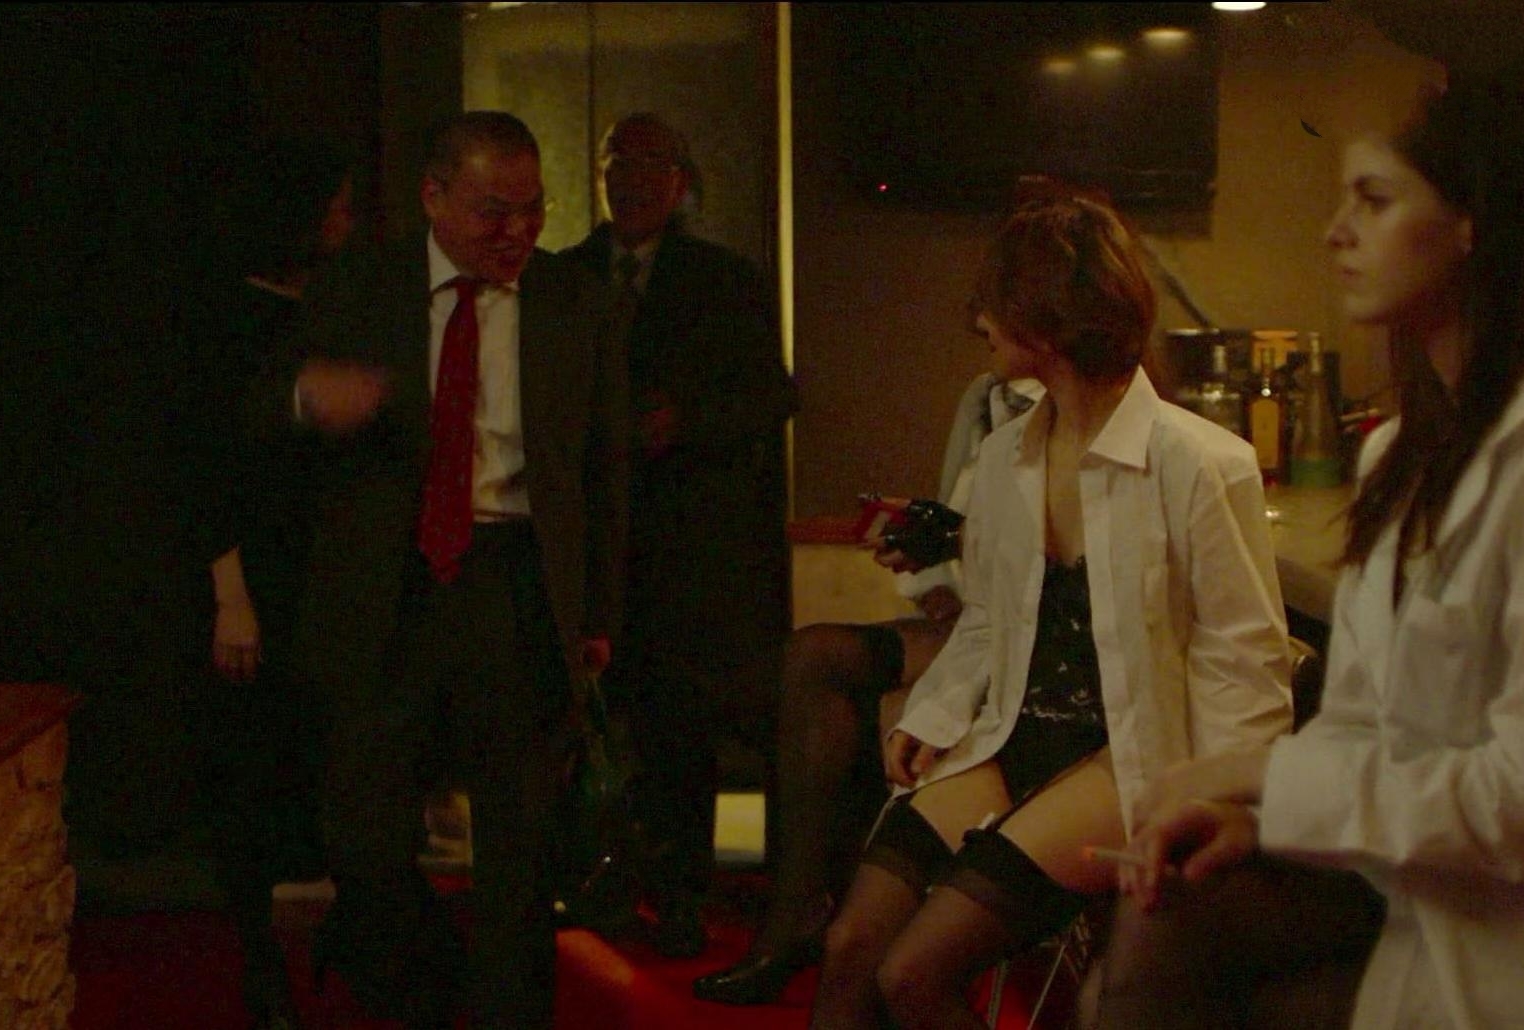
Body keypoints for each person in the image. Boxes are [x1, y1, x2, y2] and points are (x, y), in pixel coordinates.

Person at [1105, 75, 1524, 1030]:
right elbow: (1367, 730)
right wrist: (1262, 823)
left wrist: (1259, 777)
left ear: (1475, 222)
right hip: (1424, 927)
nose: (1335, 232)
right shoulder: (1406, 451)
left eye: (1374, 199)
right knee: (1165, 911)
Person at [806, 195, 1293, 1029]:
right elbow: (990, 621)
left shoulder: (1200, 462)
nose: (980, 322)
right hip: (1011, 734)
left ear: (1049, 321)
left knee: (914, 975)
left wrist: (1220, 808)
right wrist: (935, 713)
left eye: (997, 303)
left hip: (1125, 757)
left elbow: (1244, 660)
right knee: (851, 946)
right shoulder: (1008, 454)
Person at [269, 111, 628, 1029]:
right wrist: (310, 399)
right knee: (362, 830)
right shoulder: (363, 287)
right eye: (492, 211)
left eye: (533, 209)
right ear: (434, 198)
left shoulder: (574, 300)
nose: (517, 232)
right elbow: (256, 407)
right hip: (387, 584)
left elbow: (603, 467)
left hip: (514, 578)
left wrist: (597, 613)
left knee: (520, 836)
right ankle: (420, 988)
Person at [692, 369, 1041, 1006]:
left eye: (996, 321)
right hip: (978, 621)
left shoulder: (1093, 425)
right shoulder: (984, 398)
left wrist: (954, 542)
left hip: (1036, 650)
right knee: (813, 660)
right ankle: (802, 908)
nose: (985, 328)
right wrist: (936, 558)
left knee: (831, 675)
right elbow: (980, 537)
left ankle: (821, 915)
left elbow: (1045, 563)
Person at [561, 111, 798, 957]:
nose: (630, 180)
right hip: (589, 539)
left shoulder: (723, 279)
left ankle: (681, 889)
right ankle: (587, 879)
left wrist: (685, 421)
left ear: (680, 181)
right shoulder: (565, 277)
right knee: (586, 724)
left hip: (689, 547)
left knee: (679, 728)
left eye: (650, 164)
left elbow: (774, 396)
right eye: (617, 163)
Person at [177, 135, 357, 1030]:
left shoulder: (329, 309)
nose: (347, 222)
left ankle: (331, 948)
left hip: (323, 576)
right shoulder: (222, 319)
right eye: (337, 206)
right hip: (255, 575)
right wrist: (231, 594)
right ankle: (259, 961)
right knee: (249, 773)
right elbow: (202, 467)